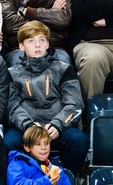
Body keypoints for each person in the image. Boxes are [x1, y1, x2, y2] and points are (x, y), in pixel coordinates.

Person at [5, 22, 87, 173]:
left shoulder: (63, 69)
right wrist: (28, 126)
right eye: (31, 41)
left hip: (56, 128)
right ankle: (24, 179)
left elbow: (74, 103)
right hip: (26, 128)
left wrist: (58, 124)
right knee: (9, 142)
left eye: (41, 40)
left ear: (47, 44)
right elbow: (12, 106)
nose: (37, 45)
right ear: (21, 46)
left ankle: (64, 179)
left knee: (79, 140)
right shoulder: (12, 73)